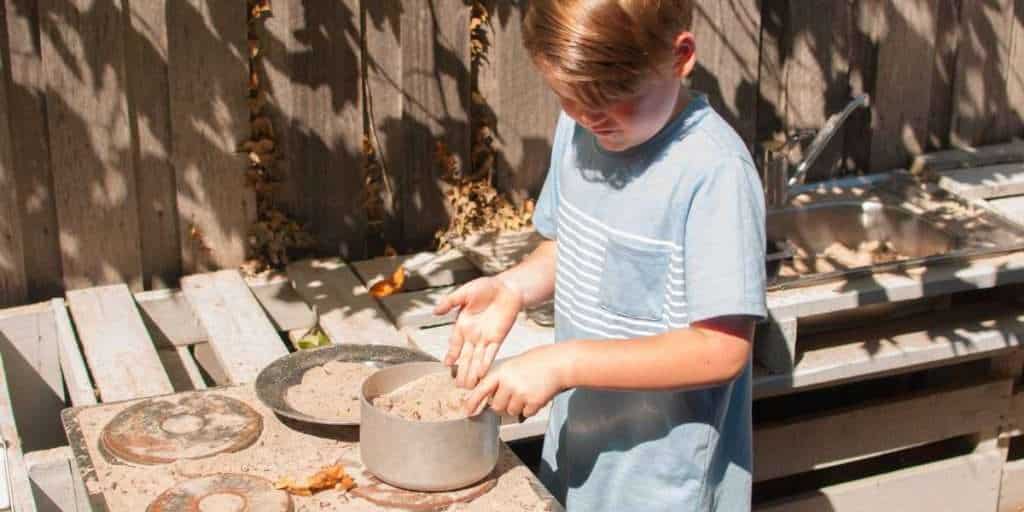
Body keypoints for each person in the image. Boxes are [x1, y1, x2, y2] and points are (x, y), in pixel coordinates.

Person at [433, 1, 767, 510]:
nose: (589, 117)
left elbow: (721, 350)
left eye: (613, 97)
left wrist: (564, 363)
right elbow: (573, 247)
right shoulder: (583, 130)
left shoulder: (715, 173)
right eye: (568, 97)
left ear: (680, 57)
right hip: (581, 455)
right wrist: (514, 287)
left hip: (665, 482)